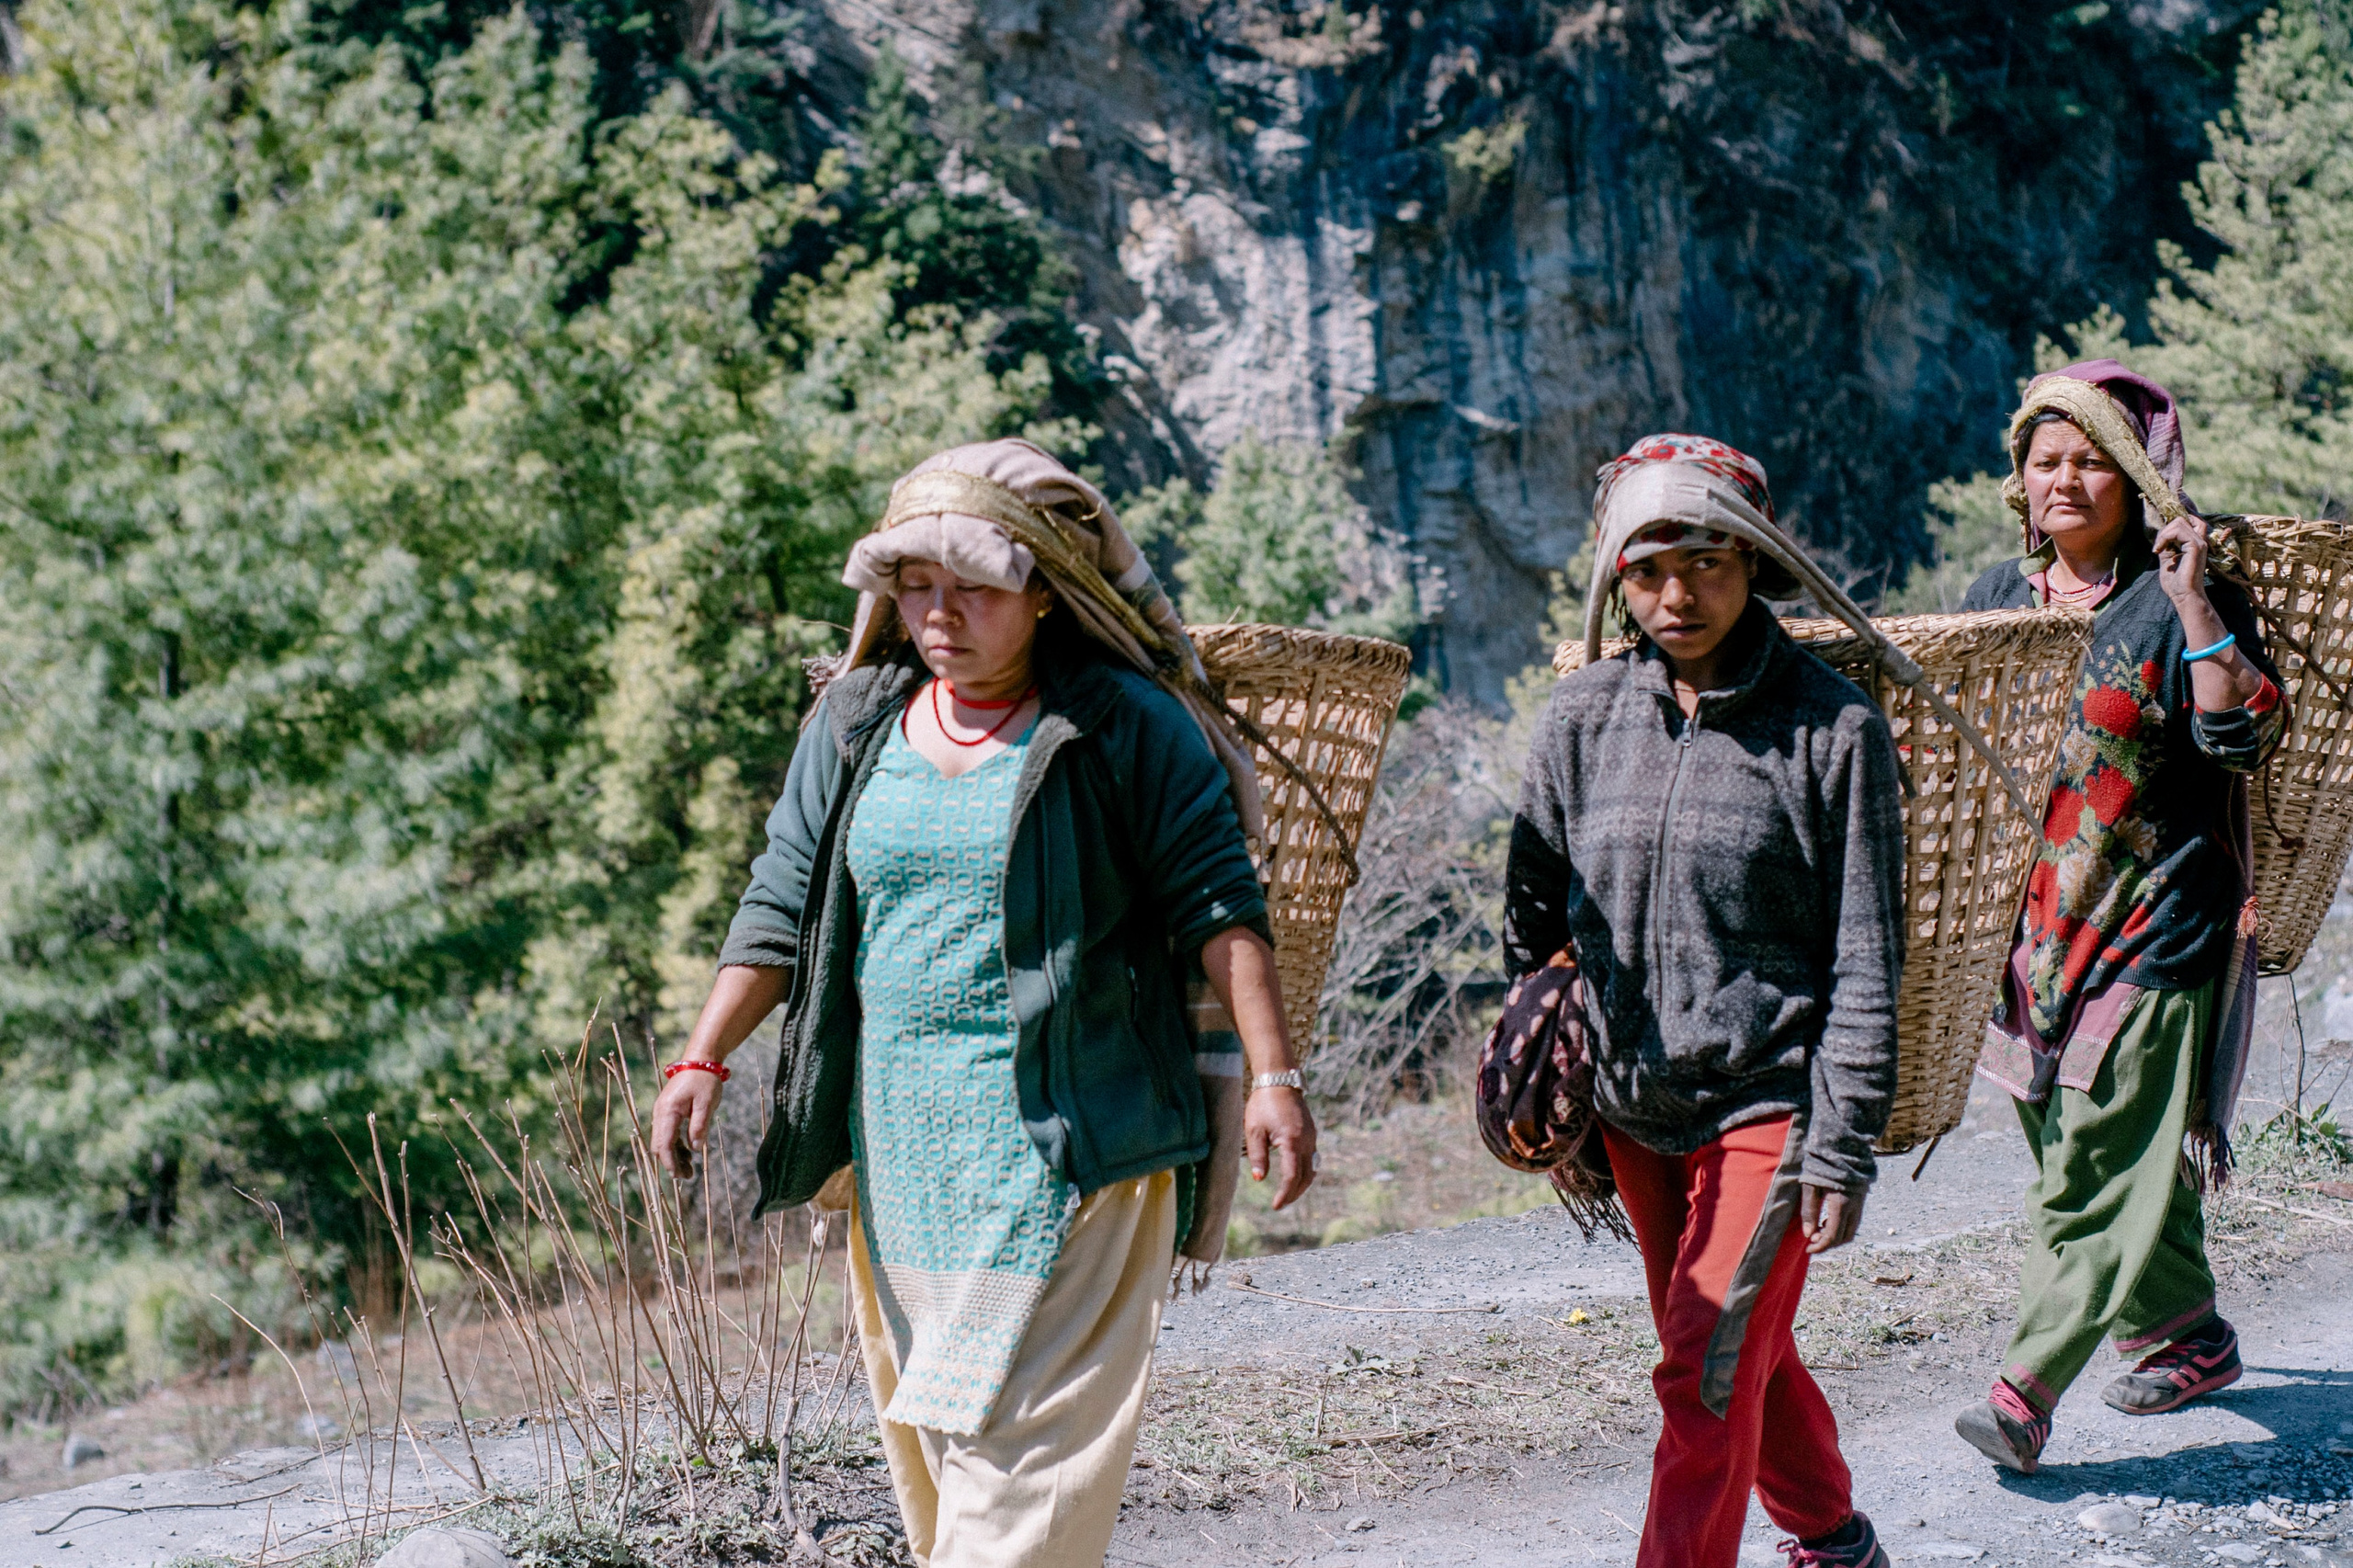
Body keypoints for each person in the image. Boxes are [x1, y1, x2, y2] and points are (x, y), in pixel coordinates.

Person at [648, 438, 1318, 1568]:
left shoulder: (1121, 726)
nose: (940, 614)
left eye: (975, 587)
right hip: (903, 1158)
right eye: (915, 587)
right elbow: (778, 901)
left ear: (1045, 594)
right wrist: (701, 1057)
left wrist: (1274, 1077)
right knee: (946, 1456)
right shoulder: (858, 721)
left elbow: (1219, 909)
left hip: (1080, 1149)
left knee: (1026, 1495)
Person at [1506, 434, 1905, 1568]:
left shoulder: (1833, 730)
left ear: (1756, 563)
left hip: (1768, 1100)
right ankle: (1832, 1533)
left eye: (1709, 561)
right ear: (1614, 578)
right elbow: (1532, 921)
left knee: (1699, 1364)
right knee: (1731, 1351)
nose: (1677, 593)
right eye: (1647, 568)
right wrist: (1561, 1083)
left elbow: (1869, 957)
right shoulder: (1579, 719)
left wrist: (1841, 1146)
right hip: (1633, 1105)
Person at [1953, 362, 2284, 1474]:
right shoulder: (1993, 596)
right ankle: (2188, 1334)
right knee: (2082, 1144)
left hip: (2156, 923)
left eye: (2089, 458)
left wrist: (2194, 600)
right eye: (2044, 459)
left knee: (2093, 1163)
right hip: (2036, 938)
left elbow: (2243, 736)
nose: (2062, 479)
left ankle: (2025, 1388)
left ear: (2135, 478)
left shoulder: (2183, 595)